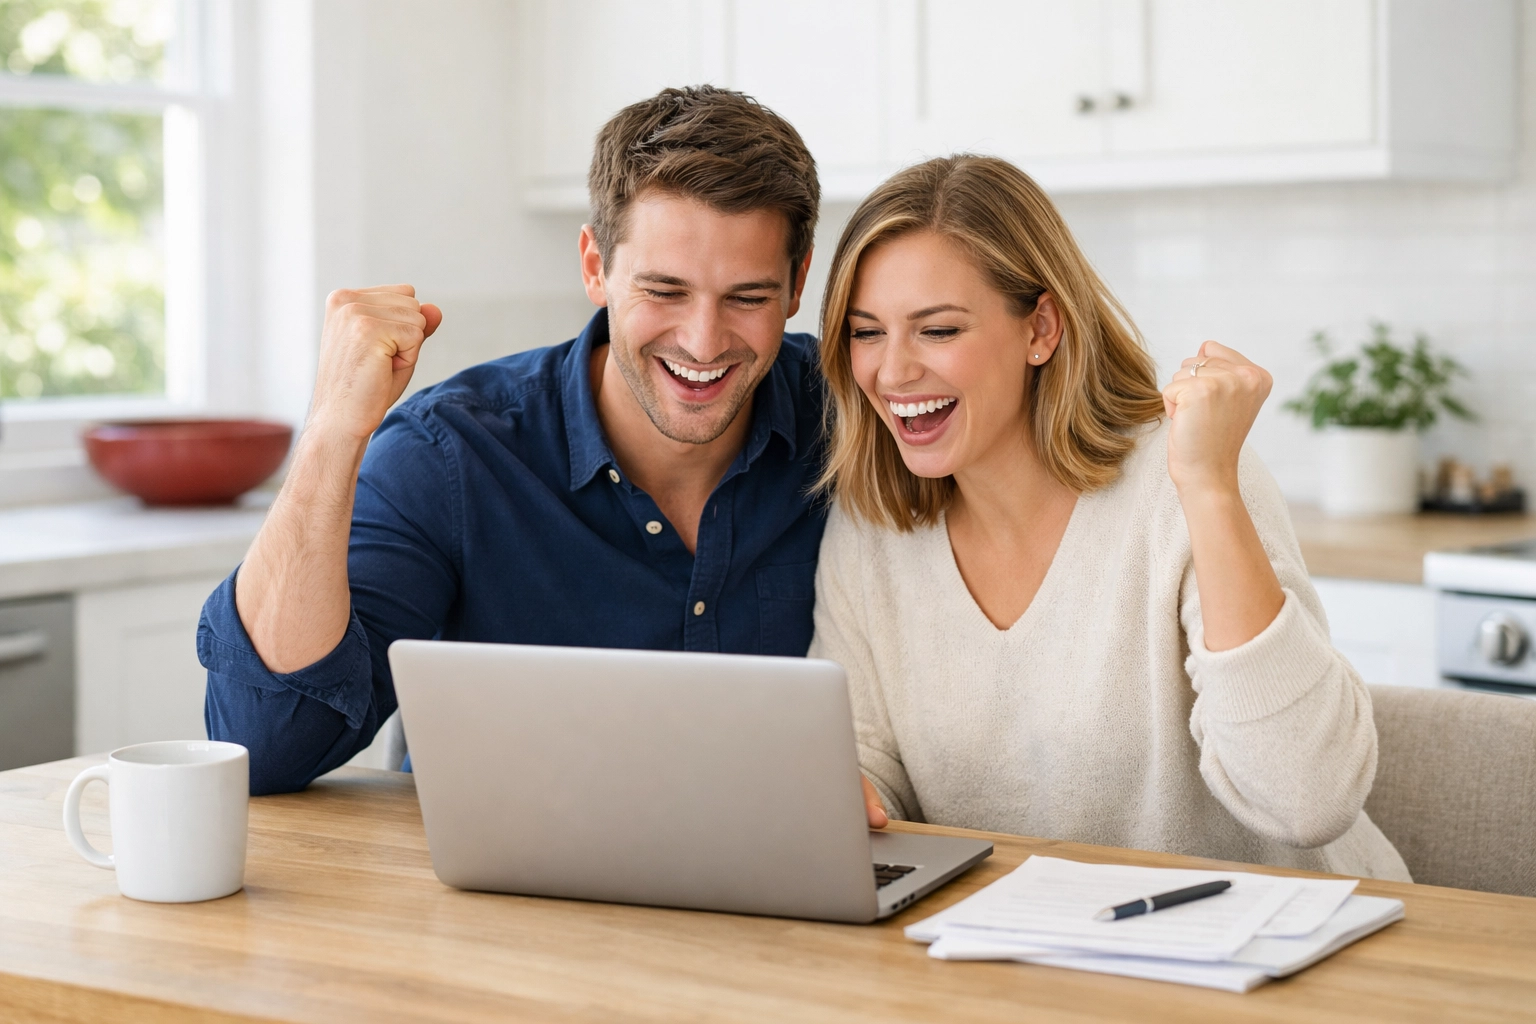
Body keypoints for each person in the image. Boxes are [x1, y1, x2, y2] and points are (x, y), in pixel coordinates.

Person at [199, 86, 827, 794]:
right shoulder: (451, 455)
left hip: (771, 890)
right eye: (665, 290)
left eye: (747, 297)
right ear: (595, 266)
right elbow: (264, 745)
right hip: (499, 898)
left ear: (798, 281)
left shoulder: (849, 420)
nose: (704, 341)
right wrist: (331, 431)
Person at [811, 155, 1410, 879]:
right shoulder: (873, 525)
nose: (892, 371)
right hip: (1032, 955)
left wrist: (1210, 487)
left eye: (937, 331)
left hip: (1292, 950)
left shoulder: (1189, 477)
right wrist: (846, 794)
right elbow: (868, 759)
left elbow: (1309, 799)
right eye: (866, 332)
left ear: (1041, 329)